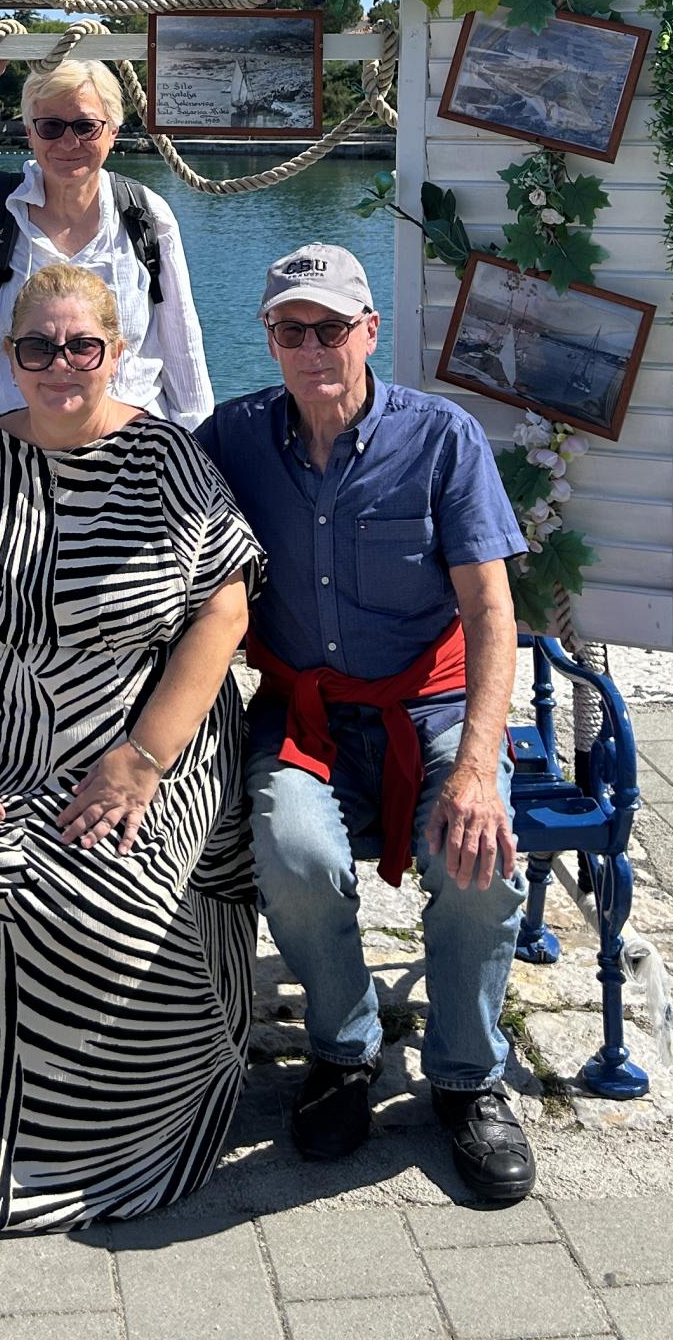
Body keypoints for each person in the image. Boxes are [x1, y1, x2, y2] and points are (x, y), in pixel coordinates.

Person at [0, 262, 262, 1231]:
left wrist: (144, 759)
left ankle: (120, 1145)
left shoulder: (167, 460)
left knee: (112, 899)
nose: (60, 364)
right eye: (38, 347)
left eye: (82, 346)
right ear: (10, 357)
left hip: (143, 732)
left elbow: (225, 608)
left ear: (115, 352)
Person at [196, 242, 536, 1205]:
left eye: (332, 328)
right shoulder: (231, 439)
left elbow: (492, 612)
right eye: (290, 330)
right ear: (269, 337)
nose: (313, 348)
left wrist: (476, 767)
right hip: (305, 712)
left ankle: (468, 1078)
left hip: (432, 706)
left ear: (370, 332)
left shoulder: (442, 438)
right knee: (293, 854)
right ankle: (344, 1051)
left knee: (478, 862)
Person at [0, 52, 213, 427]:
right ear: (30, 131)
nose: (68, 142)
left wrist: (195, 440)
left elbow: (182, 344)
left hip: (134, 451)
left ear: (113, 131)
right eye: (51, 126)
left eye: (85, 126)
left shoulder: (145, 213)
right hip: (8, 450)